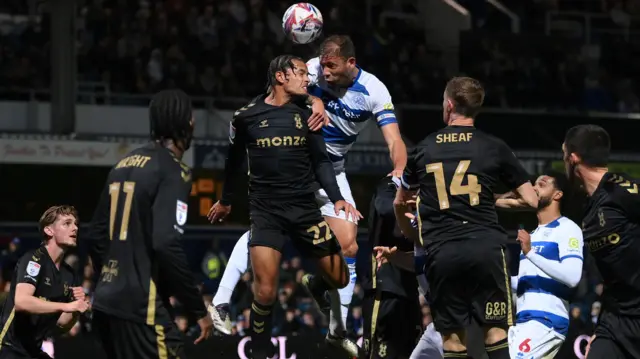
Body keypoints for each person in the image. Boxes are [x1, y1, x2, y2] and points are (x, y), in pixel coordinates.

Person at [209, 34, 407, 345]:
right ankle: (223, 300)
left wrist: (399, 170)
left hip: (331, 168)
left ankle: (320, 286)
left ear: (350, 63)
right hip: (295, 161)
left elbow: (394, 140)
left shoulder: (374, 90)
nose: (323, 73)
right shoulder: (310, 69)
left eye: (332, 66)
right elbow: (284, 91)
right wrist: (314, 99)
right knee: (265, 227)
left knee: (350, 245)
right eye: (322, 66)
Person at [207, 54, 362, 359]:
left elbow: (321, 161)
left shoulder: (310, 114)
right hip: (267, 214)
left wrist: (337, 198)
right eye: (302, 73)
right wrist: (226, 200)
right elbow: (233, 164)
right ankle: (260, 352)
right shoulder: (245, 117)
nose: (308, 78)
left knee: (341, 278)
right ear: (281, 76)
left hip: (305, 211)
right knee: (265, 291)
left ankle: (317, 286)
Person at [398, 77, 538, 359]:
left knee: (452, 340)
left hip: (443, 250)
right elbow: (531, 200)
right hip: (486, 247)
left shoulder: (423, 148)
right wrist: (492, 199)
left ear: (449, 105)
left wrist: (414, 231)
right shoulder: (494, 146)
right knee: (496, 333)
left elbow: (400, 201)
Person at [87, 89, 213, 359]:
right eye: (189, 118)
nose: (192, 124)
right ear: (182, 123)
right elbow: (166, 242)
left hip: (106, 302)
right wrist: (198, 309)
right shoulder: (174, 169)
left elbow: (95, 236)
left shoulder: (120, 165)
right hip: (142, 304)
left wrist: (113, 277)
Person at [561, 125, 640, 359]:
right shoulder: (588, 207)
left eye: (563, 153)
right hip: (614, 322)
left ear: (573, 158)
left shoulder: (622, 190)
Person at [497, 173, 584, 359]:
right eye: (534, 184)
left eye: (542, 184)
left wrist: (530, 253)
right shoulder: (533, 235)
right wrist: (498, 278)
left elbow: (573, 277)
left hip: (546, 322)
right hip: (523, 321)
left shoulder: (568, 228)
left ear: (557, 195)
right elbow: (527, 282)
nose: (535, 187)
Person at [0, 205, 89, 359]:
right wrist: (66, 305)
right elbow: (22, 302)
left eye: (76, 224)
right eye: (67, 223)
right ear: (49, 230)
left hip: (34, 351)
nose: (74, 228)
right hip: (9, 349)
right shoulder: (34, 260)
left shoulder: (69, 274)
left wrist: (76, 309)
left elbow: (61, 324)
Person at [360, 175, 422, 359]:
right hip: (384, 290)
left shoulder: (425, 199)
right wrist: (411, 203)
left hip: (410, 291)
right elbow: (385, 207)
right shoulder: (386, 188)